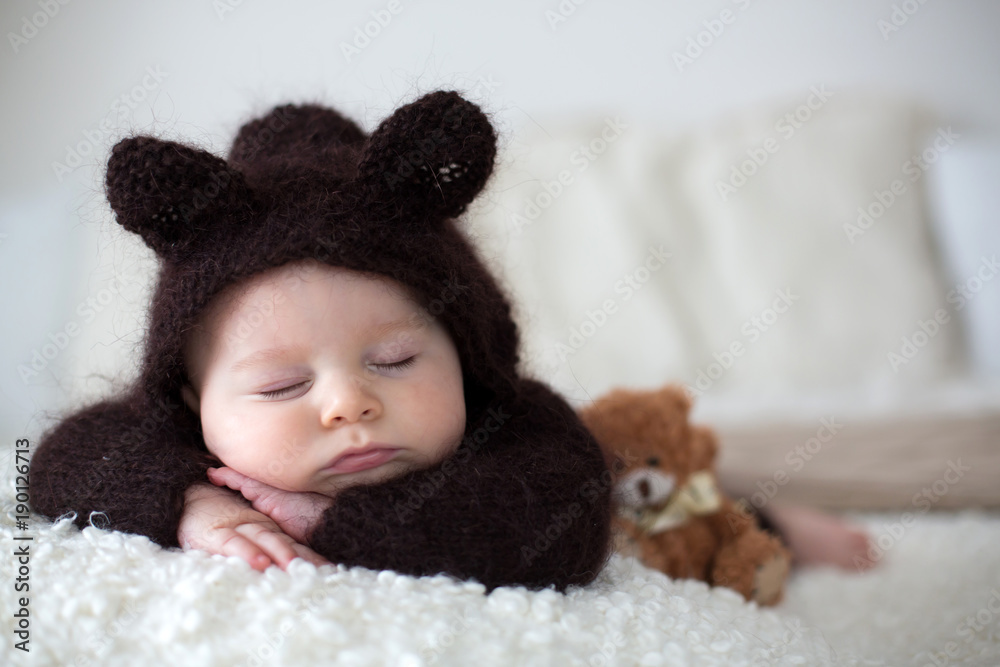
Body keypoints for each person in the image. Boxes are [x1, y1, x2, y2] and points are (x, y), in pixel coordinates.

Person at [28, 90, 614, 593]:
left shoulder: (512, 426)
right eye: (283, 386)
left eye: (396, 360)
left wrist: (329, 521)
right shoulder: (174, 444)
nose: (347, 404)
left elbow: (568, 516)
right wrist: (190, 502)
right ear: (192, 401)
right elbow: (61, 460)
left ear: (466, 358)